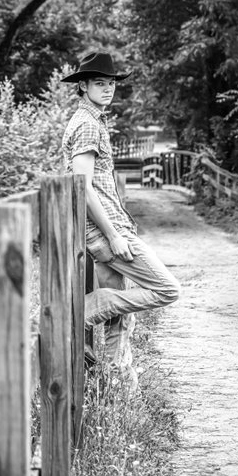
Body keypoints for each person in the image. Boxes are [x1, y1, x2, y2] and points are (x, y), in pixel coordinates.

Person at [61, 51, 180, 388]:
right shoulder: (87, 124)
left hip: (107, 227)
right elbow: (83, 187)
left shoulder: (93, 120)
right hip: (104, 231)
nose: (108, 89)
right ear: (83, 86)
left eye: (111, 83)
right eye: (99, 83)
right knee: (167, 289)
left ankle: (117, 381)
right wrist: (114, 235)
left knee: (120, 314)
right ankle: (87, 310)